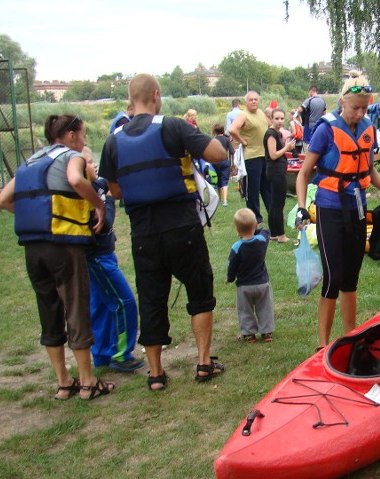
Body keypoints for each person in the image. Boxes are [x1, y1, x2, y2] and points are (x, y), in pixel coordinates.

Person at [99, 73, 227, 390]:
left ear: (132, 99)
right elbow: (218, 154)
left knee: (152, 300)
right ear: (156, 95)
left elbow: (114, 191)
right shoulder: (172, 126)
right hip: (182, 225)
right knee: (200, 292)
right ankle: (203, 363)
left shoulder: (113, 140)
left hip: (144, 234)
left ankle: (156, 374)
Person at [0, 114, 115, 400]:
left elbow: (2, 200)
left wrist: (34, 217)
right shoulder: (70, 156)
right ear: (71, 135)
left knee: (48, 311)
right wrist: (98, 205)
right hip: (63, 245)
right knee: (75, 308)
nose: (84, 141)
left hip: (33, 249)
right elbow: (75, 179)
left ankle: (64, 383)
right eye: (83, 135)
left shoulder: (30, 162)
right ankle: (87, 383)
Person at [295, 73, 380, 350]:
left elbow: (369, 169)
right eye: (356, 107)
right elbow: (304, 173)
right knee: (333, 277)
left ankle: (350, 338)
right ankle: (322, 346)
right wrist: (302, 207)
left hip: (357, 208)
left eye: (365, 108)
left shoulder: (368, 127)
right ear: (342, 102)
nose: (360, 113)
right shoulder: (325, 129)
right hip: (329, 209)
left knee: (351, 277)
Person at [81, 147, 144, 373]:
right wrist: (107, 200)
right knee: (123, 302)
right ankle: (121, 353)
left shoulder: (96, 186)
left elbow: (112, 185)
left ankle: (101, 354)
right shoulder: (83, 193)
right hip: (97, 257)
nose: (94, 164)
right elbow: (104, 223)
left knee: (100, 305)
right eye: (88, 161)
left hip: (104, 254)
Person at [226, 208, 275, 343]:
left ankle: (249, 334)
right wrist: (254, 228)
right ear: (255, 225)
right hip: (262, 283)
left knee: (245, 310)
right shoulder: (261, 240)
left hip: (244, 286)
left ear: (237, 230)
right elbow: (266, 231)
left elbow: (232, 265)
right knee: (265, 307)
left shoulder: (237, 247)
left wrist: (230, 278)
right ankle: (267, 332)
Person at [229, 90, 271, 224]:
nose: (254, 101)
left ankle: (273, 214)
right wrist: (243, 141)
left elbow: (269, 126)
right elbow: (232, 130)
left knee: (267, 187)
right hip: (251, 157)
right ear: (246, 102)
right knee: (252, 189)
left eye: (256, 99)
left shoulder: (260, 113)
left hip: (264, 155)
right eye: (251, 99)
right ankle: (256, 219)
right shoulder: (243, 115)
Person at [264, 108, 297, 243]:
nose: (279, 121)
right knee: (278, 204)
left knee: (275, 204)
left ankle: (273, 234)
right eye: (276, 118)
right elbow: (273, 155)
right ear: (271, 119)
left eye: (282, 118)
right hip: (275, 171)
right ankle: (281, 235)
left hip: (277, 170)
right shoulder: (271, 134)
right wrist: (287, 148)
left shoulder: (277, 133)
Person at [212, 123, 234, 207]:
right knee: (224, 180)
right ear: (223, 130)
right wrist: (233, 163)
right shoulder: (227, 139)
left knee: (217, 180)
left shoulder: (213, 140)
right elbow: (232, 152)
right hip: (225, 161)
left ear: (214, 131)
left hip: (215, 162)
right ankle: (225, 200)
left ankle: (220, 199)